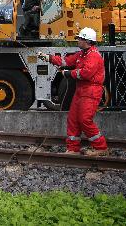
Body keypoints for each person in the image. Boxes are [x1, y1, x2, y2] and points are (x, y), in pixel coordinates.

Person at [39, 27, 108, 156]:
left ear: (87, 41)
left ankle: (101, 148)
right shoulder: (82, 54)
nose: (77, 40)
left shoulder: (93, 55)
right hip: (81, 90)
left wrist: (68, 73)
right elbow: (65, 61)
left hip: (91, 91)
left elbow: (86, 73)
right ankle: (73, 149)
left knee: (84, 119)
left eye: (80, 38)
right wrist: (47, 57)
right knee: (73, 119)